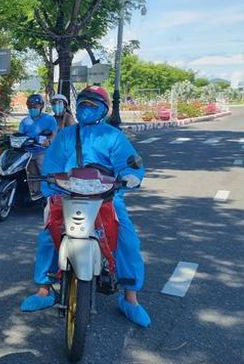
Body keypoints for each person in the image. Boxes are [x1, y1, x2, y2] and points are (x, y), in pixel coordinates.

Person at [19, 86, 151, 328]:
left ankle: (130, 297)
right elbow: (52, 164)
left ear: (104, 109)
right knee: (48, 235)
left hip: (106, 195)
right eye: (82, 104)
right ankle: (44, 290)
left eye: (92, 105)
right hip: (67, 192)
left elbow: (129, 163)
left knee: (127, 239)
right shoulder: (66, 135)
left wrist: (132, 176)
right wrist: (50, 186)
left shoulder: (113, 136)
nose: (86, 109)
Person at [19, 93, 58, 197]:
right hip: (28, 152)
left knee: (45, 173)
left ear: (41, 106)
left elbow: (54, 134)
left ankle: (51, 195)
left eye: (35, 107)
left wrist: (49, 141)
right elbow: (20, 135)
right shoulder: (24, 122)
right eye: (30, 107)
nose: (32, 109)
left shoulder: (49, 120)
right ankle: (34, 193)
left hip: (43, 151)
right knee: (31, 174)